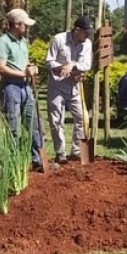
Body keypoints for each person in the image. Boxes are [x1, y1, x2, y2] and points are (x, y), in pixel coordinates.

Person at [0, 8, 44, 170]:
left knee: (34, 124)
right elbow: (1, 68)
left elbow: (25, 61)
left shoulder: (23, 41)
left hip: (25, 87)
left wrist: (31, 68)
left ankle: (38, 161)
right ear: (16, 24)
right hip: (10, 88)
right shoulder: (3, 42)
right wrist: (23, 72)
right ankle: (12, 164)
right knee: (12, 127)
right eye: (25, 25)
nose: (27, 28)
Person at [44, 15, 93, 163]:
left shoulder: (87, 43)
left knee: (82, 118)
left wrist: (72, 65)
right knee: (57, 120)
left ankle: (76, 151)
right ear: (77, 30)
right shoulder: (58, 39)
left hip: (75, 87)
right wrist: (62, 67)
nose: (88, 35)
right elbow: (48, 61)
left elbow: (86, 65)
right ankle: (60, 153)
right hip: (57, 86)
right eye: (86, 32)